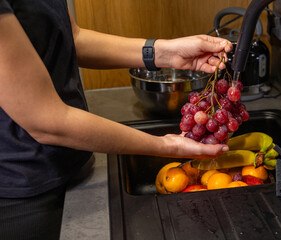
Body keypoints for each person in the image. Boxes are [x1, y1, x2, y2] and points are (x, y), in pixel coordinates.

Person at [0, 0, 232, 239]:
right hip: (20, 195)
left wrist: (167, 53)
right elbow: (47, 122)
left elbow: (71, 38)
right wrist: (166, 145)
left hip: (70, 165)